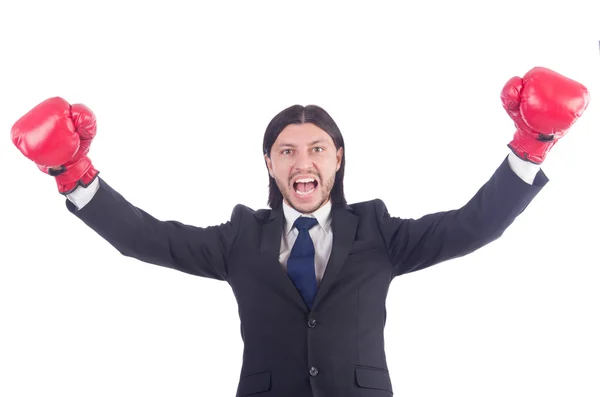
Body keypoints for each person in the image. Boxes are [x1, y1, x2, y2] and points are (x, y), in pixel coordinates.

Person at [10, 66, 589, 397]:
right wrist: (73, 174)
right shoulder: (239, 239)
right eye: (286, 151)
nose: (301, 161)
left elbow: (471, 226)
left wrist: (530, 148)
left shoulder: (379, 232)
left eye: (316, 149)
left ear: (338, 159)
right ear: (269, 164)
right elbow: (149, 237)